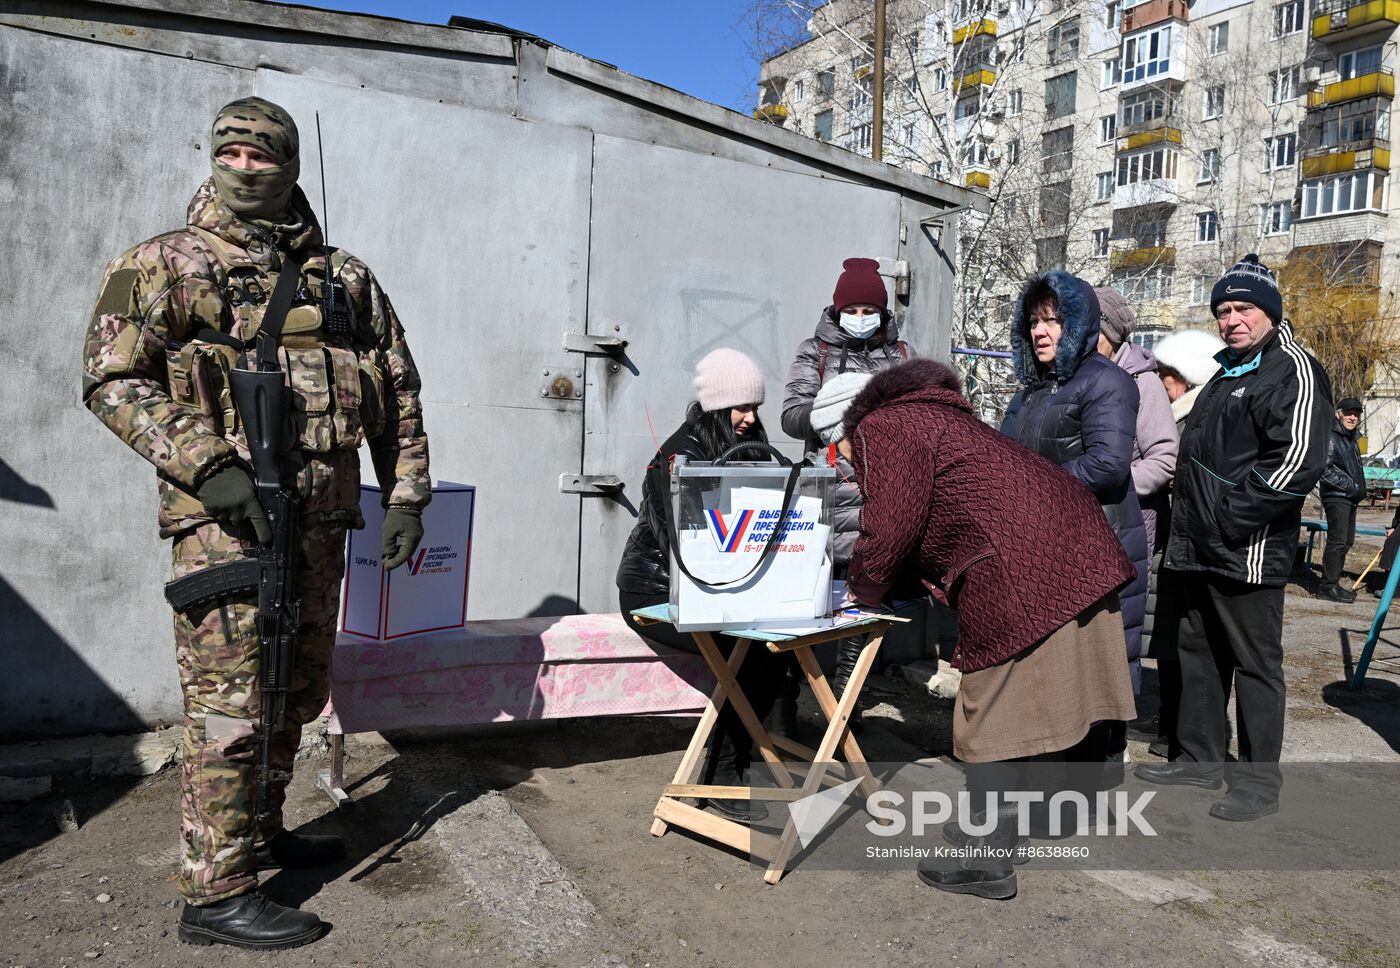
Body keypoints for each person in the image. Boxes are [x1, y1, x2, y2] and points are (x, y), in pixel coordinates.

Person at [81, 98, 431, 948]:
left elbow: (397, 394)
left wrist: (407, 496)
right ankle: (216, 893)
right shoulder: (164, 263)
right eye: (230, 152)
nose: (244, 167)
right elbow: (111, 379)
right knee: (230, 705)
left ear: (291, 165)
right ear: (212, 159)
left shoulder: (346, 280)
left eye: (262, 154)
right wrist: (209, 463)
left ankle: (261, 831)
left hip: (319, 527)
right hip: (225, 529)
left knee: (293, 689)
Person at [819, 359, 1136, 900]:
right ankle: (1008, 827)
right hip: (1079, 548)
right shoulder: (936, 417)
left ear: (842, 432)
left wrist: (860, 592)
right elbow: (938, 513)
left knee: (990, 706)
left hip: (1023, 566)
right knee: (1037, 701)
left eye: (835, 455)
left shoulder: (882, 427)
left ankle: (985, 860)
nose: (846, 466)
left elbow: (890, 527)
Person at [1138, 254, 1331, 822]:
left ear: (1270, 312)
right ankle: (1198, 758)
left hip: (1247, 549)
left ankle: (1257, 785)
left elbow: (1296, 461)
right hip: (1197, 545)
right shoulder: (1227, 372)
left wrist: (1228, 518)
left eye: (1243, 309)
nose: (1231, 320)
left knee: (1254, 666)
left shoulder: (1293, 369)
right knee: (1197, 653)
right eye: (1223, 311)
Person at [617, 347, 788, 824]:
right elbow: (687, 547)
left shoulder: (744, 444)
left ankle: (761, 748)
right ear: (716, 406)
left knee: (779, 647)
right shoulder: (679, 459)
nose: (751, 418)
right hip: (657, 592)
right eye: (741, 408)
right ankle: (722, 775)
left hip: (718, 589)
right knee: (750, 652)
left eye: (755, 407)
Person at [1000, 272, 1148, 778]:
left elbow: (1107, 465)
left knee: (1095, 668)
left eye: (1053, 320)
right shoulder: (1031, 390)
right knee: (1052, 669)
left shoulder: (1107, 381)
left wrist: (1031, 485)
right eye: (1034, 321)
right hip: (1044, 545)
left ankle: (1087, 783)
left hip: (1096, 546)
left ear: (1079, 324)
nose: (1041, 331)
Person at [781, 257, 912, 715]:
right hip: (825, 497)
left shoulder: (901, 354)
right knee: (803, 606)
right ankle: (784, 707)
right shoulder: (813, 351)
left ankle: (845, 711)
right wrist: (839, 410)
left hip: (882, 495)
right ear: (837, 311)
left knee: (862, 607)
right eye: (851, 310)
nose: (860, 317)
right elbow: (791, 416)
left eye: (868, 309)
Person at [1139, 327, 1225, 759]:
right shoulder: (1180, 413)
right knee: (1168, 639)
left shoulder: (1195, 418)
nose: (1159, 383)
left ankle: (1177, 731)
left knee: (1181, 642)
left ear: (1186, 379)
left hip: (1183, 542)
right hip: (1170, 543)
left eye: (1165, 376)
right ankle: (1168, 722)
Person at [1316, 397, 1367, 603]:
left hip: (1349, 497)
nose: (1352, 417)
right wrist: (1351, 486)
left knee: (1347, 541)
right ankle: (1327, 587)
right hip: (1337, 496)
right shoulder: (1331, 436)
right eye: (1348, 413)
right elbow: (1324, 470)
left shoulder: (1350, 438)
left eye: (1356, 414)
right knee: (1337, 541)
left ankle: (1333, 582)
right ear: (1338, 414)